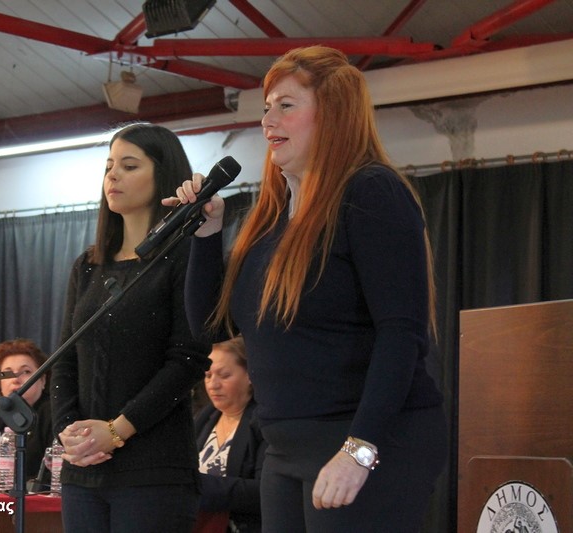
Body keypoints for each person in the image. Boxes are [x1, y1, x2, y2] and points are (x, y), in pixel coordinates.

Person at [172, 46, 447, 532]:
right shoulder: (271, 221)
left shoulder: (370, 192)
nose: (267, 121)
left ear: (332, 114)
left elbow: (401, 333)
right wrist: (206, 236)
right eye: (266, 108)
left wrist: (359, 451)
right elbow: (211, 327)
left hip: (363, 438)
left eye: (286, 106)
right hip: (284, 447)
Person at [50, 123, 212, 532]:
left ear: (163, 175)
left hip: (153, 472)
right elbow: (64, 358)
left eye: (129, 165)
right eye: (109, 167)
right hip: (83, 471)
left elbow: (188, 360)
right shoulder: (88, 265)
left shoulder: (186, 255)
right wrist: (67, 432)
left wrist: (117, 430)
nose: (113, 176)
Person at [194, 336, 265, 533]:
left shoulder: (263, 422)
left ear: (249, 375)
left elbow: (265, 491)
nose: (213, 384)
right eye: (208, 375)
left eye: (224, 375)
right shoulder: (204, 417)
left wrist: (197, 485)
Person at [0, 338, 55, 490]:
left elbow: (56, 475)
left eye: (26, 372)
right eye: (7, 374)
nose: (15, 379)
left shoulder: (52, 415)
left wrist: (11, 480)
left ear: (43, 380)